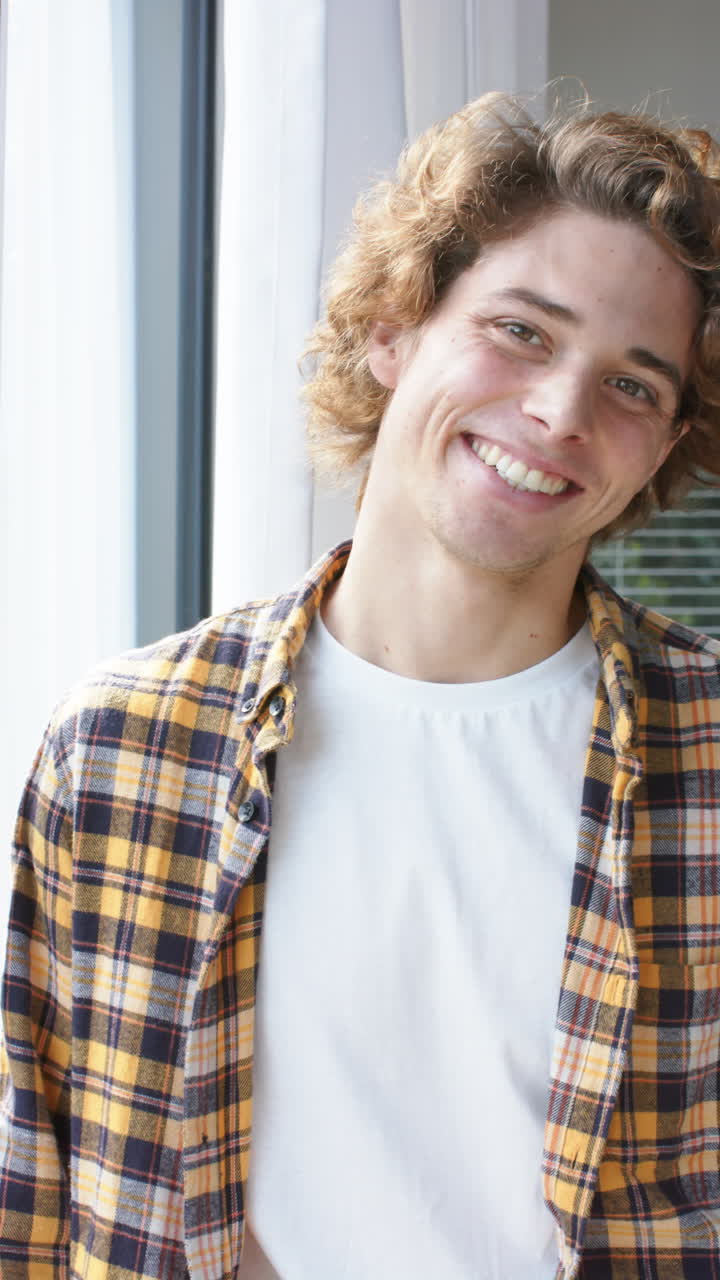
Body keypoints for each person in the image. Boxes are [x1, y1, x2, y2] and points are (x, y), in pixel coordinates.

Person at [3, 92, 720, 1280]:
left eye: (633, 384)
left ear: (664, 443)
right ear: (395, 327)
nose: (558, 413)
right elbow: (36, 1193)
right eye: (522, 331)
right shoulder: (125, 746)